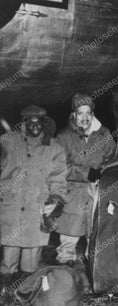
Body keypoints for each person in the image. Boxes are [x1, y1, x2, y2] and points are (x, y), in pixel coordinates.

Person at [0, 105, 67, 292]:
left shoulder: (54, 148)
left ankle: (26, 292)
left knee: (31, 259)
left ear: (45, 123)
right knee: (8, 256)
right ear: (24, 122)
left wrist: (56, 199)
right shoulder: (7, 142)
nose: (35, 125)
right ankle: (5, 292)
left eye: (39, 122)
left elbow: (58, 177)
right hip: (10, 208)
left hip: (36, 210)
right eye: (31, 121)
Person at [55, 93, 116, 265]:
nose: (85, 117)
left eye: (88, 113)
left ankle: (95, 269)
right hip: (73, 193)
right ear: (74, 114)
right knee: (69, 236)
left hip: (97, 191)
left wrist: (104, 173)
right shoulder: (63, 137)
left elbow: (112, 159)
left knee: (96, 232)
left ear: (92, 114)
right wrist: (85, 172)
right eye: (80, 113)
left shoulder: (104, 135)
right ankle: (64, 276)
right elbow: (58, 167)